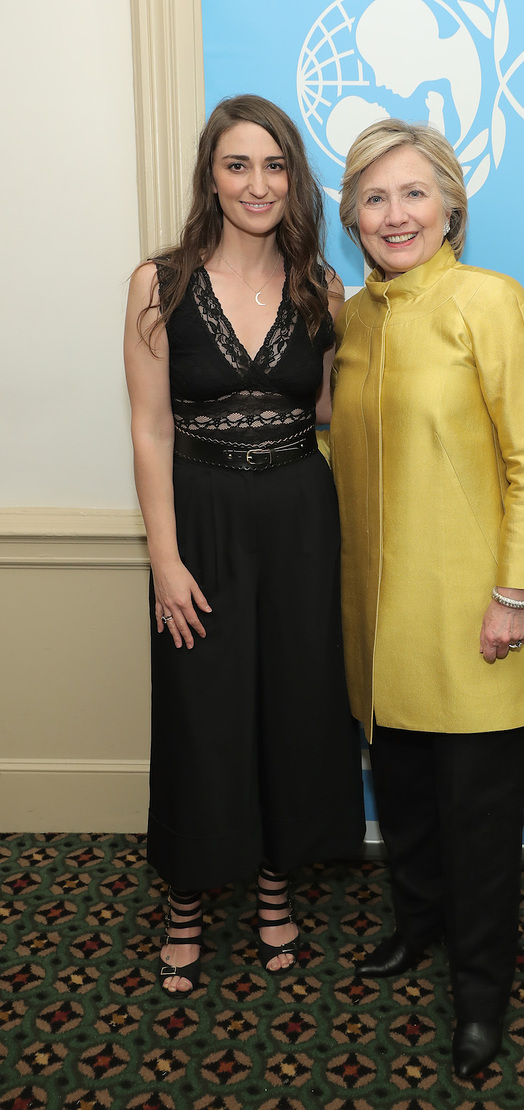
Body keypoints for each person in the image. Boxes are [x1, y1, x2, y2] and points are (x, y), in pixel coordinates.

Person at [330, 119, 524, 1078]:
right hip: (383, 624)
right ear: (351, 217)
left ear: (450, 208)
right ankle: (418, 926)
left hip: (481, 616)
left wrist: (514, 593)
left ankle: (482, 997)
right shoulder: (356, 318)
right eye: (373, 197)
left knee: (479, 823)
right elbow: (348, 451)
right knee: (404, 800)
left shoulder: (490, 301)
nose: (394, 214)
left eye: (412, 194)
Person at [123, 95, 365, 996]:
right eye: (237, 165)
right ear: (211, 176)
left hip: (303, 514)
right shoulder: (160, 284)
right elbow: (150, 430)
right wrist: (166, 557)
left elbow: (330, 410)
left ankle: (273, 880)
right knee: (202, 705)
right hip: (203, 514)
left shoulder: (323, 288)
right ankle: (188, 893)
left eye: (273, 167)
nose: (256, 184)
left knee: (297, 705)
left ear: (293, 179)